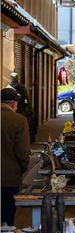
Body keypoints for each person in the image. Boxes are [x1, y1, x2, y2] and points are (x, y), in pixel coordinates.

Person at [1, 88, 31, 225]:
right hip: (9, 178)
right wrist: (24, 168)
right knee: (8, 216)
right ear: (13, 104)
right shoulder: (19, 121)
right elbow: (22, 152)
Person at [7, 73, 35, 142]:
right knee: (22, 125)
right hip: (21, 109)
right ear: (17, 79)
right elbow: (27, 99)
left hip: (11, 110)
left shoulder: (8, 87)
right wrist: (30, 109)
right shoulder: (22, 87)